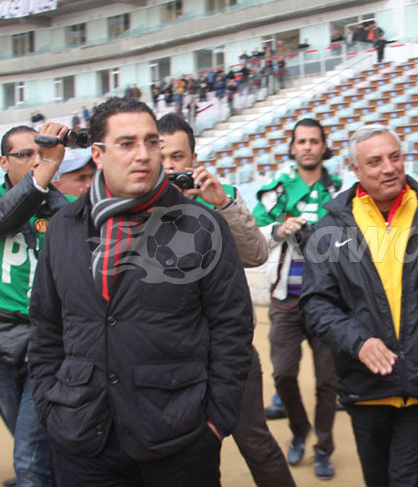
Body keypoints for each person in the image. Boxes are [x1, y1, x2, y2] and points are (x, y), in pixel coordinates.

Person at [27, 97, 254, 487]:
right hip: (83, 436)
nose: (144, 155)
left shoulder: (202, 226)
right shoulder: (64, 226)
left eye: (152, 143)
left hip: (179, 439)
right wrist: (51, 405)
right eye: (127, 143)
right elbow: (47, 325)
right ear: (97, 154)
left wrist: (215, 422)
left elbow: (232, 324)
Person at [300, 125, 418, 487]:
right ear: (354, 169)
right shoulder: (329, 228)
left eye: (395, 156)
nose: (389, 168)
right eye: (375, 161)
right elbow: (316, 303)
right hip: (365, 390)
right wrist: (358, 342)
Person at [157, 113, 294, 487]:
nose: (169, 166)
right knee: (191, 454)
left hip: (228, 351)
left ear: (193, 159)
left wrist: (221, 204)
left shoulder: (219, 198)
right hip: (171, 357)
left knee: (255, 442)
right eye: (162, 155)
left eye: (177, 157)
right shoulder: (139, 207)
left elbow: (255, 253)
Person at [252, 118, 340, 480]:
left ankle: (322, 447)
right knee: (284, 374)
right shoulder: (274, 192)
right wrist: (278, 228)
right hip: (286, 300)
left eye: (314, 141)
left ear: (323, 147)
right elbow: (251, 236)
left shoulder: (340, 189)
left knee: (327, 383)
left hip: (328, 302)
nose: (307, 147)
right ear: (292, 148)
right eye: (301, 141)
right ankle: (299, 431)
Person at [0, 122, 71, 487]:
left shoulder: (58, 204)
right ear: (3, 162)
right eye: (25, 155)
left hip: (46, 343)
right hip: (0, 341)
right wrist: (40, 181)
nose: (37, 161)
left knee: (29, 459)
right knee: (27, 439)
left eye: (41, 154)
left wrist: (45, 187)